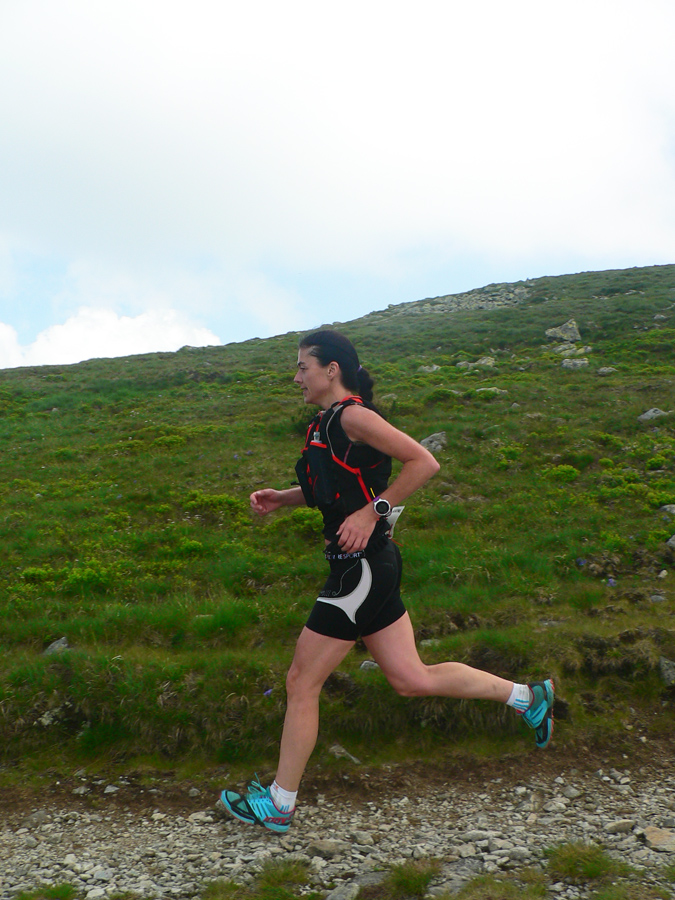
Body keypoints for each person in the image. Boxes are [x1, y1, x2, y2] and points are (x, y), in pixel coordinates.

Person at [217, 330, 554, 834]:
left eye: (303, 366)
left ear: (331, 369)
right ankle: (529, 698)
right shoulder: (323, 424)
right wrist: (283, 498)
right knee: (411, 678)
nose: (296, 376)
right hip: (369, 566)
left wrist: (374, 512)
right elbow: (334, 489)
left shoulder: (353, 417)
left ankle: (280, 805)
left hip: (361, 571)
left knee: (301, 681)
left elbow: (424, 462)